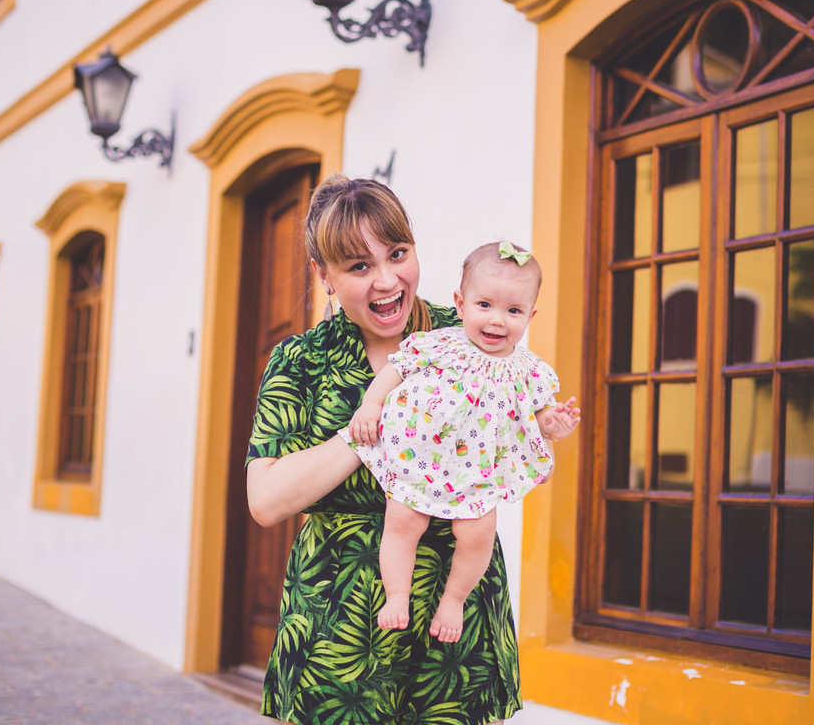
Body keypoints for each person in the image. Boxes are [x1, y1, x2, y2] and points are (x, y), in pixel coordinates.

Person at [244, 175, 530, 725]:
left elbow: (515, 433)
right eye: (358, 267)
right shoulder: (300, 362)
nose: (386, 281)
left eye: (397, 254)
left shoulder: (471, 335)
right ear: (323, 276)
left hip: (455, 621)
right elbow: (267, 500)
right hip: (339, 626)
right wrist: (370, 430)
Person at [284, 241, 581, 644]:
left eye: (513, 311)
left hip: (476, 472)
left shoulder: (530, 370)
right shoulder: (441, 342)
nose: (497, 320)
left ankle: (453, 600)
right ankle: (397, 596)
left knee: (479, 533)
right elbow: (397, 370)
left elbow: (536, 416)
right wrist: (371, 405)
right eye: (484, 305)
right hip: (420, 457)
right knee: (403, 522)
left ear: (531, 315)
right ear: (460, 304)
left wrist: (554, 424)